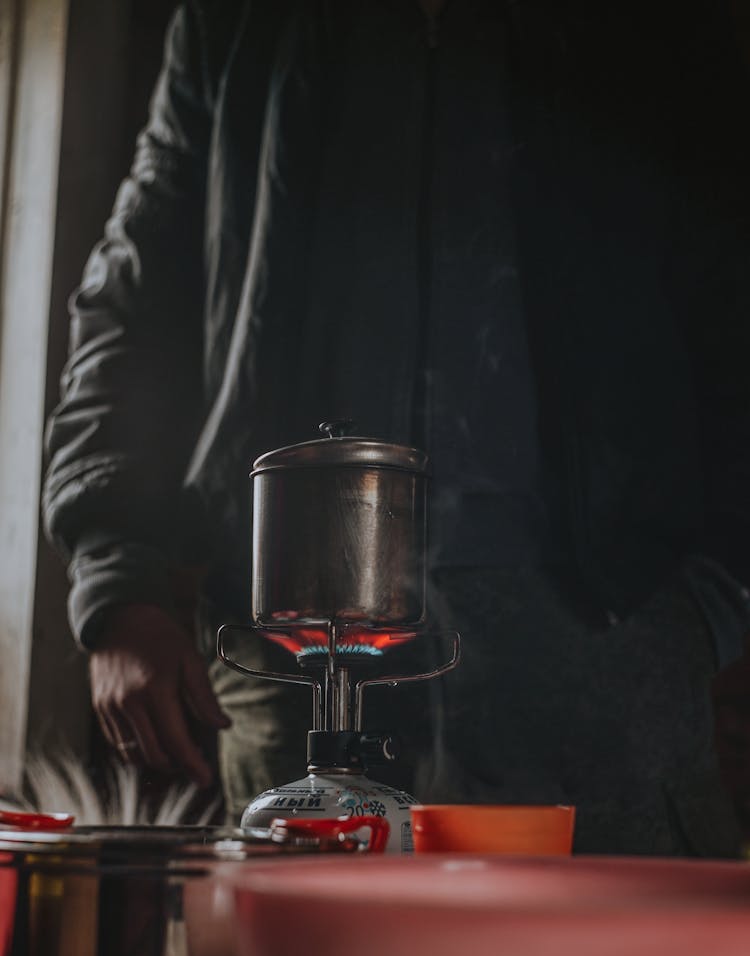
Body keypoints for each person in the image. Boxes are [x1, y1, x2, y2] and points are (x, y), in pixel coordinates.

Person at [43, 0, 750, 853]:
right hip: (291, 634)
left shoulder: (660, 28)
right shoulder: (230, 21)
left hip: (603, 642)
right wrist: (116, 581)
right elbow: (133, 298)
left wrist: (720, 602)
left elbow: (730, 281)